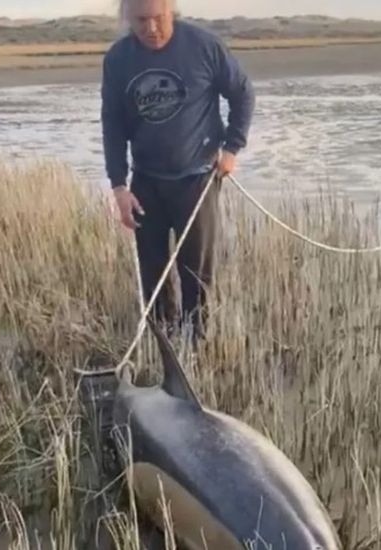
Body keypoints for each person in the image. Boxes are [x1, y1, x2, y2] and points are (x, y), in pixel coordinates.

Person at [100, 0, 255, 340]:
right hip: (145, 182)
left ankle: (197, 342)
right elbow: (112, 124)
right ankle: (164, 341)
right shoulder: (117, 59)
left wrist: (231, 147)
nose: (151, 29)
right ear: (126, 17)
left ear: (172, 10)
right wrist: (118, 185)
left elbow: (242, 94)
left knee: (196, 273)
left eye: (159, 18)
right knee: (152, 273)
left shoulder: (203, 45)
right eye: (141, 20)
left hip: (197, 179)